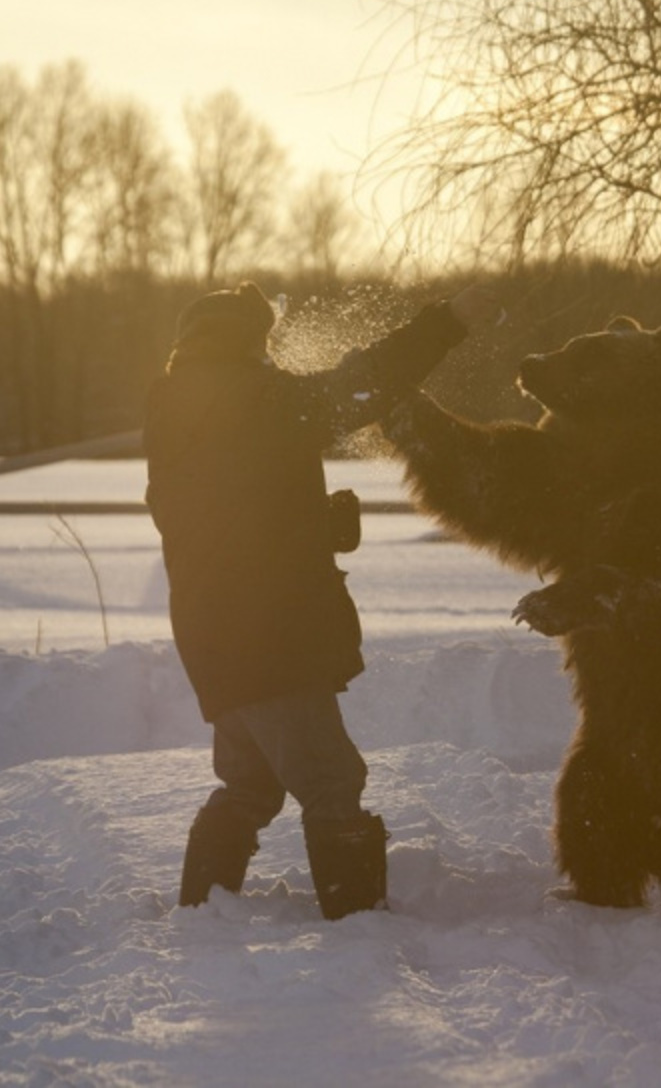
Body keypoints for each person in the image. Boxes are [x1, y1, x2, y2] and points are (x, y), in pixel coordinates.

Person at [144, 280, 498, 919]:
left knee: (250, 785)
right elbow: (360, 385)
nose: (272, 354)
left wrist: (305, 522)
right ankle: (356, 927)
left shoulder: (176, 408)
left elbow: (221, 510)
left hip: (217, 634)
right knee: (333, 783)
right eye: (264, 342)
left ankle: (202, 915)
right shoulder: (256, 398)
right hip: (269, 635)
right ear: (242, 343)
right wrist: (449, 320)